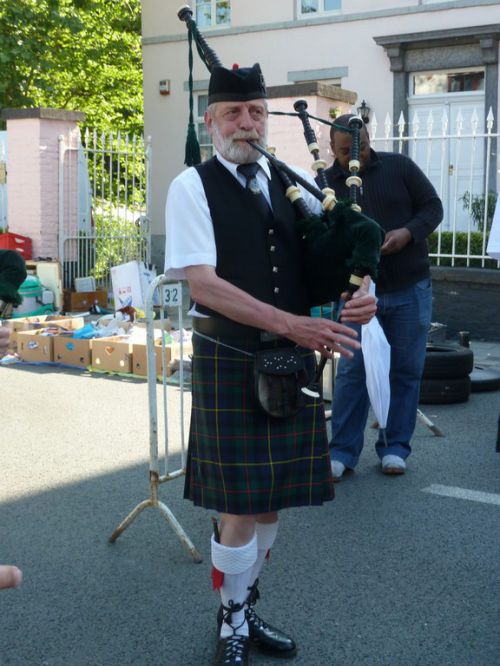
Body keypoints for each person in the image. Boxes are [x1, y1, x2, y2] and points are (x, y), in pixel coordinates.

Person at [164, 64, 377, 665]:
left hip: (289, 361)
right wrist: (294, 324)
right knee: (237, 503)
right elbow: (204, 285)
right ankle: (231, 620)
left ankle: (246, 599)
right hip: (232, 356)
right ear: (211, 122)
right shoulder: (193, 187)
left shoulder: (290, 184)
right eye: (233, 112)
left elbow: (338, 250)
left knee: (270, 499)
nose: (247, 123)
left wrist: (364, 291)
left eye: (256, 111)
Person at [323, 114, 443, 480]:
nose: (352, 158)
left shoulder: (400, 167)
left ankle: (394, 447)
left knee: (405, 370)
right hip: (358, 293)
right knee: (352, 374)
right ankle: (342, 451)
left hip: (409, 286)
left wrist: (407, 233)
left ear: (369, 139)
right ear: (331, 149)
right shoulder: (326, 183)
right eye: (343, 152)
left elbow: (432, 208)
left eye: (358, 148)